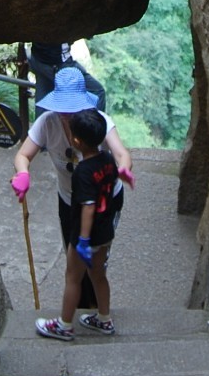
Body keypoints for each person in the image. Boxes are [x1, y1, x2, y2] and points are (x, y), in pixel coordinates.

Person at [11, 67, 135, 316]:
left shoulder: (95, 122)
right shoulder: (47, 123)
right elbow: (23, 154)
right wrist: (23, 173)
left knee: (95, 255)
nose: (66, 115)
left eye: (72, 109)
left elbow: (121, 153)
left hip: (103, 199)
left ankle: (95, 312)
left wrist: (123, 168)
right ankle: (81, 308)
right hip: (69, 199)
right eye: (62, 109)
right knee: (74, 257)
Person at [34, 108, 118, 339]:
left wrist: (82, 240)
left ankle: (64, 325)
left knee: (73, 278)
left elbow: (88, 207)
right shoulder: (109, 160)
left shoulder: (82, 172)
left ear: (77, 141)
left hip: (87, 236)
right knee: (98, 275)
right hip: (105, 233)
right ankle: (104, 319)